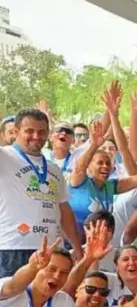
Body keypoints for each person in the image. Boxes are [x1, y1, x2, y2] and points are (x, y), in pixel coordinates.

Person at [0, 108, 82, 277]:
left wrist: (77, 246)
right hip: (13, 247)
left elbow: (64, 210)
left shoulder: (54, 169)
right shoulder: (5, 157)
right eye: (29, 131)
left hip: (49, 250)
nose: (36, 137)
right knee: (11, 301)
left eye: (41, 132)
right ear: (16, 131)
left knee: (44, 301)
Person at [67, 86, 137, 233]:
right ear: (89, 166)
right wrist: (95, 144)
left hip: (105, 243)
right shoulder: (79, 181)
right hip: (76, 244)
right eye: (100, 162)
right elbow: (79, 167)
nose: (105, 166)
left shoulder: (110, 186)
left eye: (108, 163)